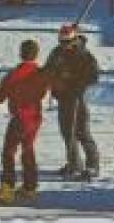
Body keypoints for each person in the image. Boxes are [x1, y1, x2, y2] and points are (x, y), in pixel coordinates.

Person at [0, 39, 50, 203]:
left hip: (20, 118)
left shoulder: (13, 75)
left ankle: (7, 188)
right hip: (35, 118)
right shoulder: (41, 73)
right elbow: (43, 93)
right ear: (36, 54)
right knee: (28, 150)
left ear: (21, 53)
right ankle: (30, 187)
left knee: (9, 152)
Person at [44, 23, 100, 180]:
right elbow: (48, 69)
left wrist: (73, 82)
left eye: (67, 42)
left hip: (78, 98)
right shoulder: (56, 53)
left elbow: (93, 76)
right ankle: (74, 163)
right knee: (67, 133)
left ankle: (92, 166)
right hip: (63, 98)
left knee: (82, 132)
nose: (64, 46)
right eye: (61, 42)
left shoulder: (84, 55)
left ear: (75, 40)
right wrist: (53, 78)